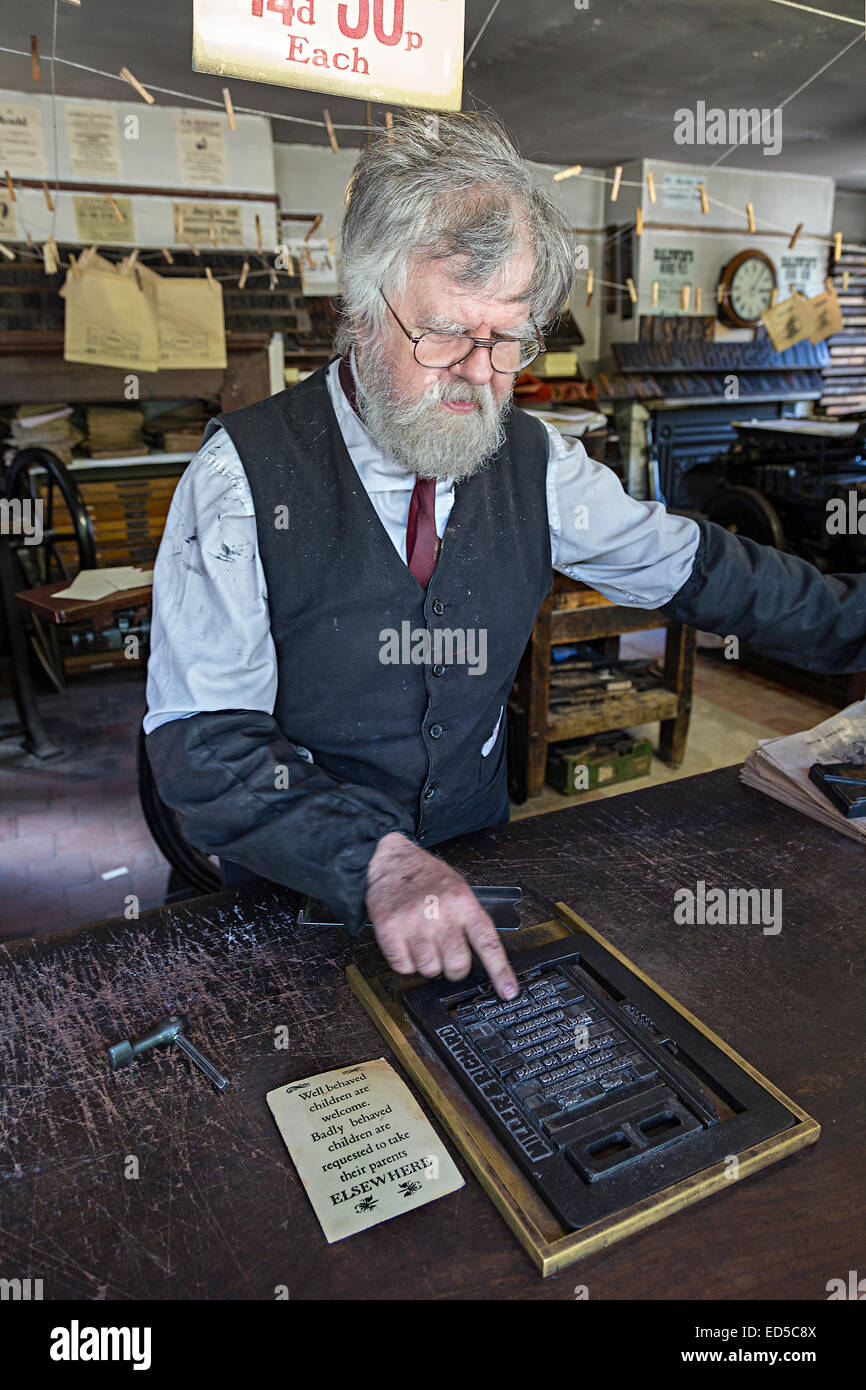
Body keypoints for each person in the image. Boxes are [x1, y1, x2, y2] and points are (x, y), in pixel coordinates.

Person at [145, 113, 866, 1002]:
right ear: (362, 314)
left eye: (510, 339)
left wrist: (858, 626)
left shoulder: (535, 459)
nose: (482, 374)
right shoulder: (240, 476)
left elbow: (702, 569)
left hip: (475, 862)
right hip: (286, 901)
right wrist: (372, 859)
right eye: (446, 335)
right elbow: (204, 741)